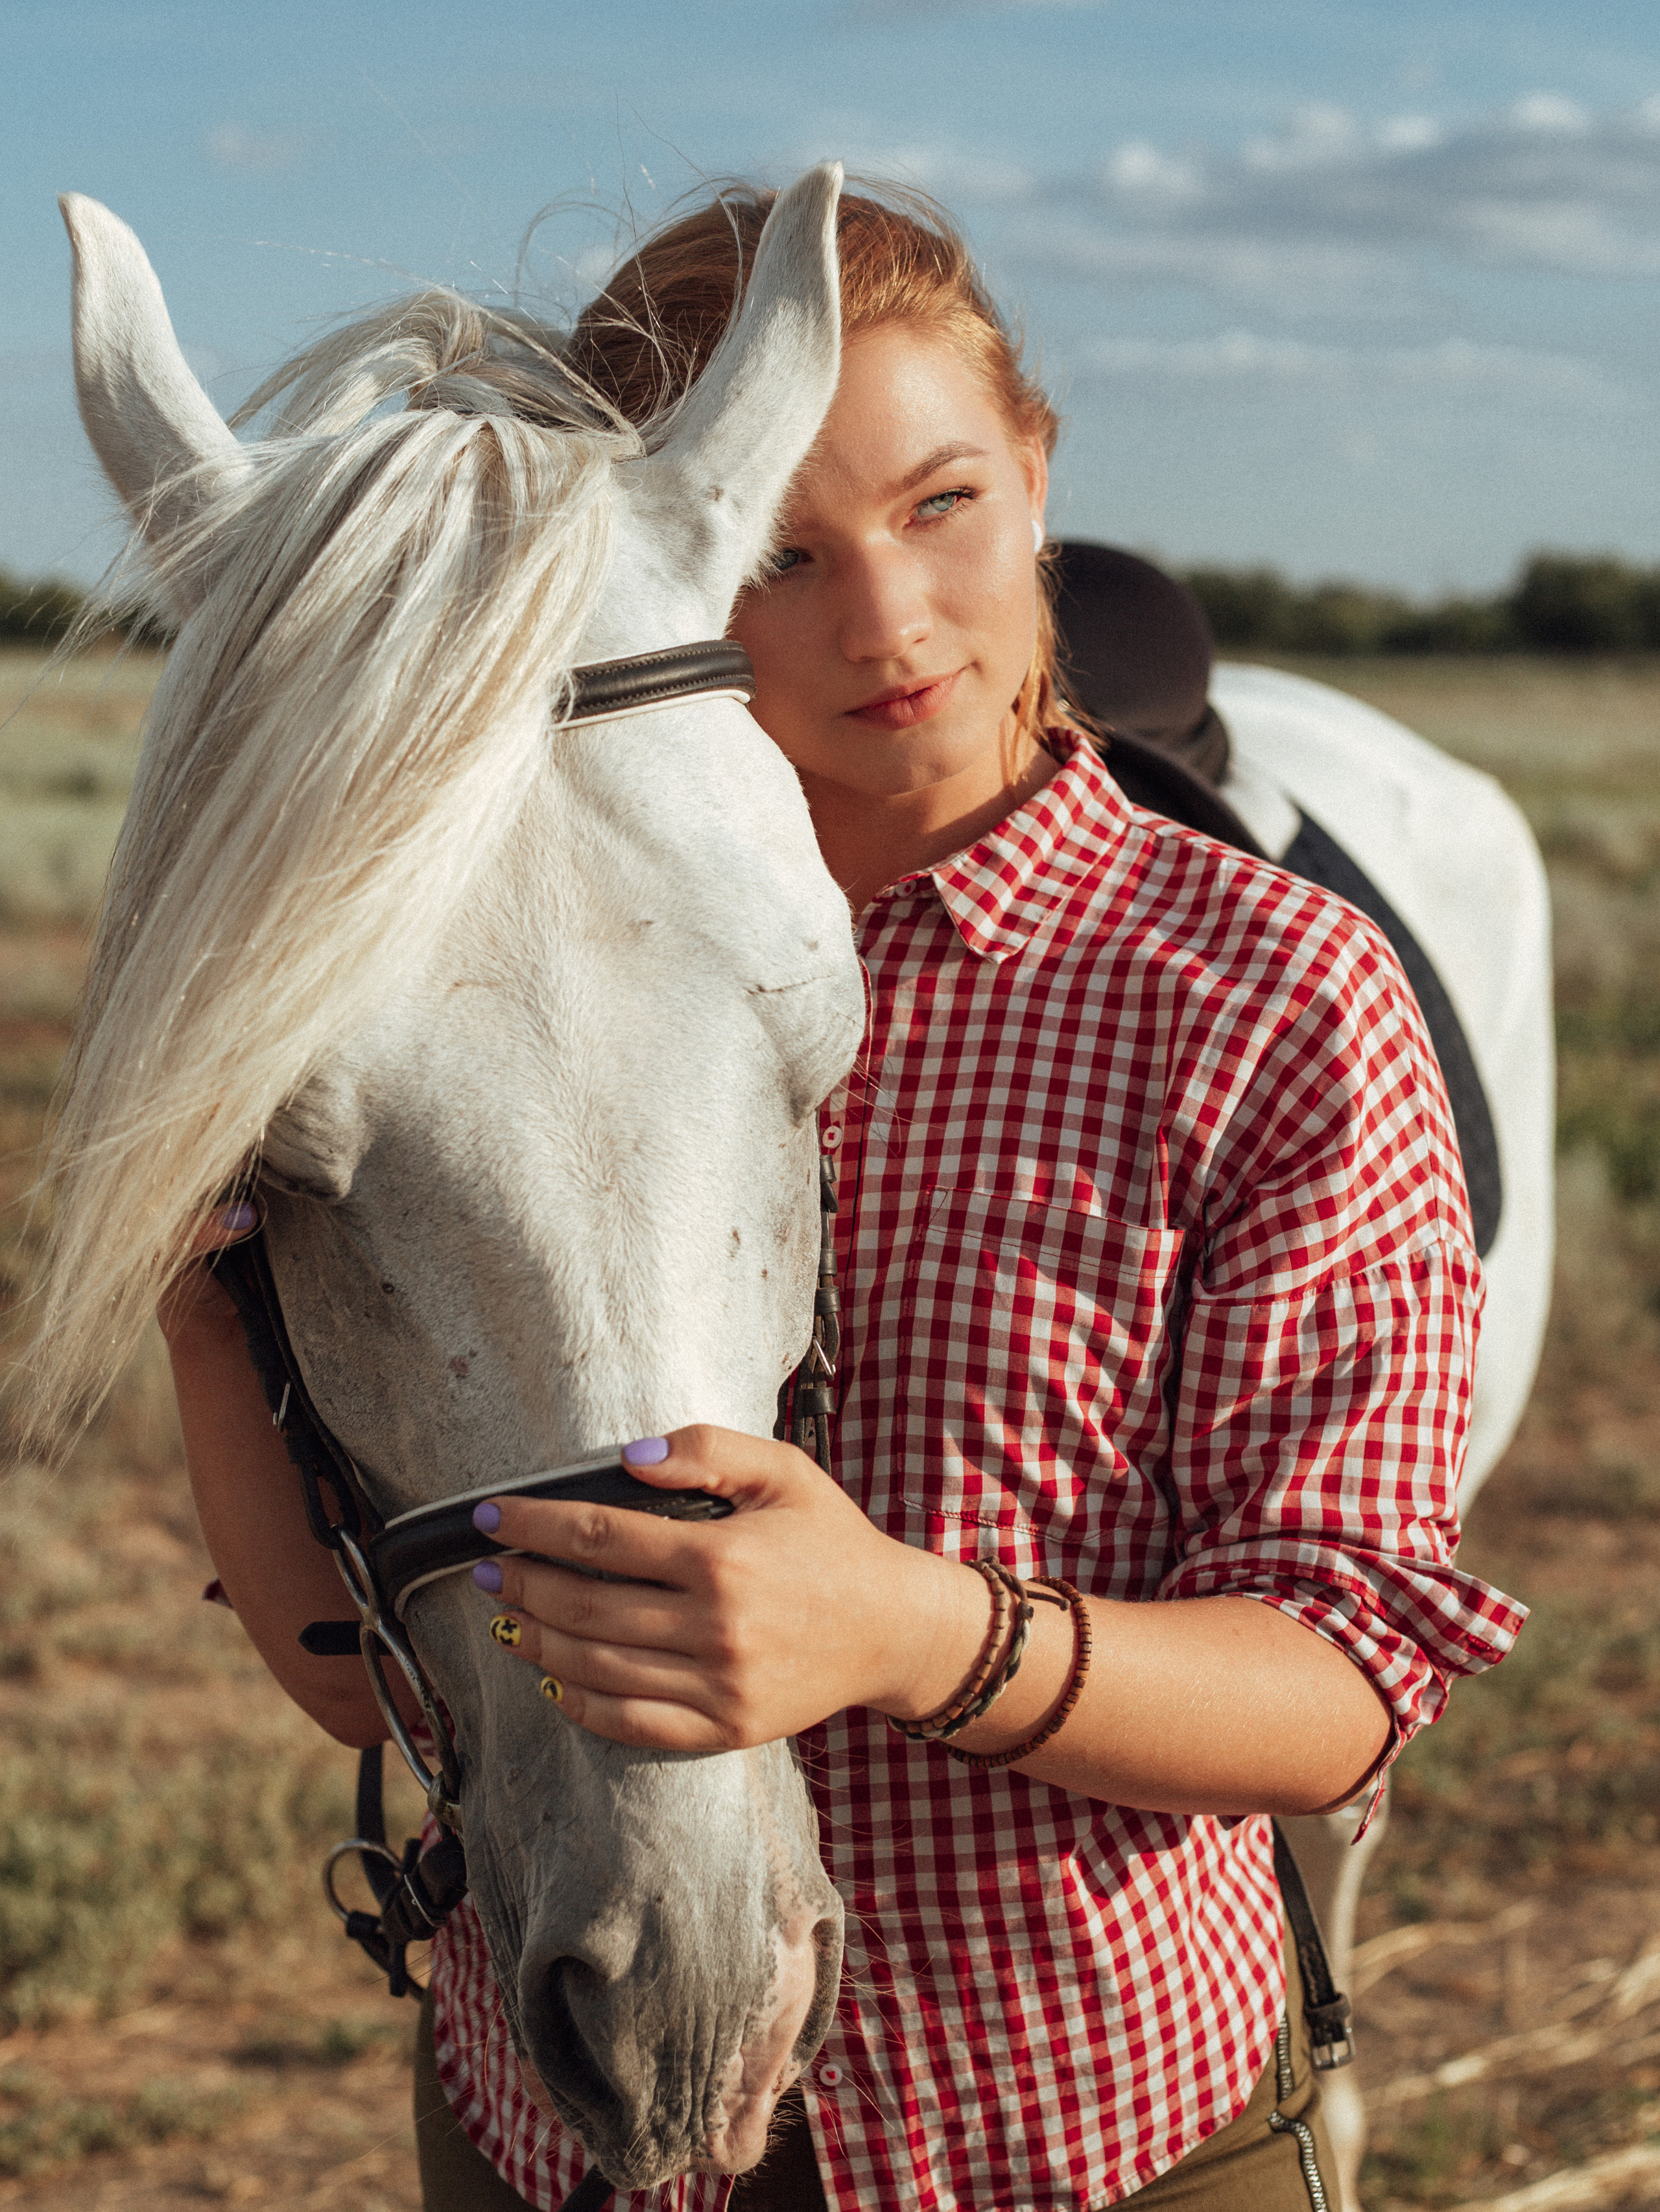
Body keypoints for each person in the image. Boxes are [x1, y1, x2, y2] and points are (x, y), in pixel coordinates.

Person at [162, 183, 1524, 2211]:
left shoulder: (1271, 997)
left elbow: (1341, 1678)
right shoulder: (487, 1018)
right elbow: (379, 1665)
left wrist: (900, 1626)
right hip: (560, 2123)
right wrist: (204, 1304)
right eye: (782, 553)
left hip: (1080, 2140)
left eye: (943, 504)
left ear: (1041, 474)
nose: (883, 617)